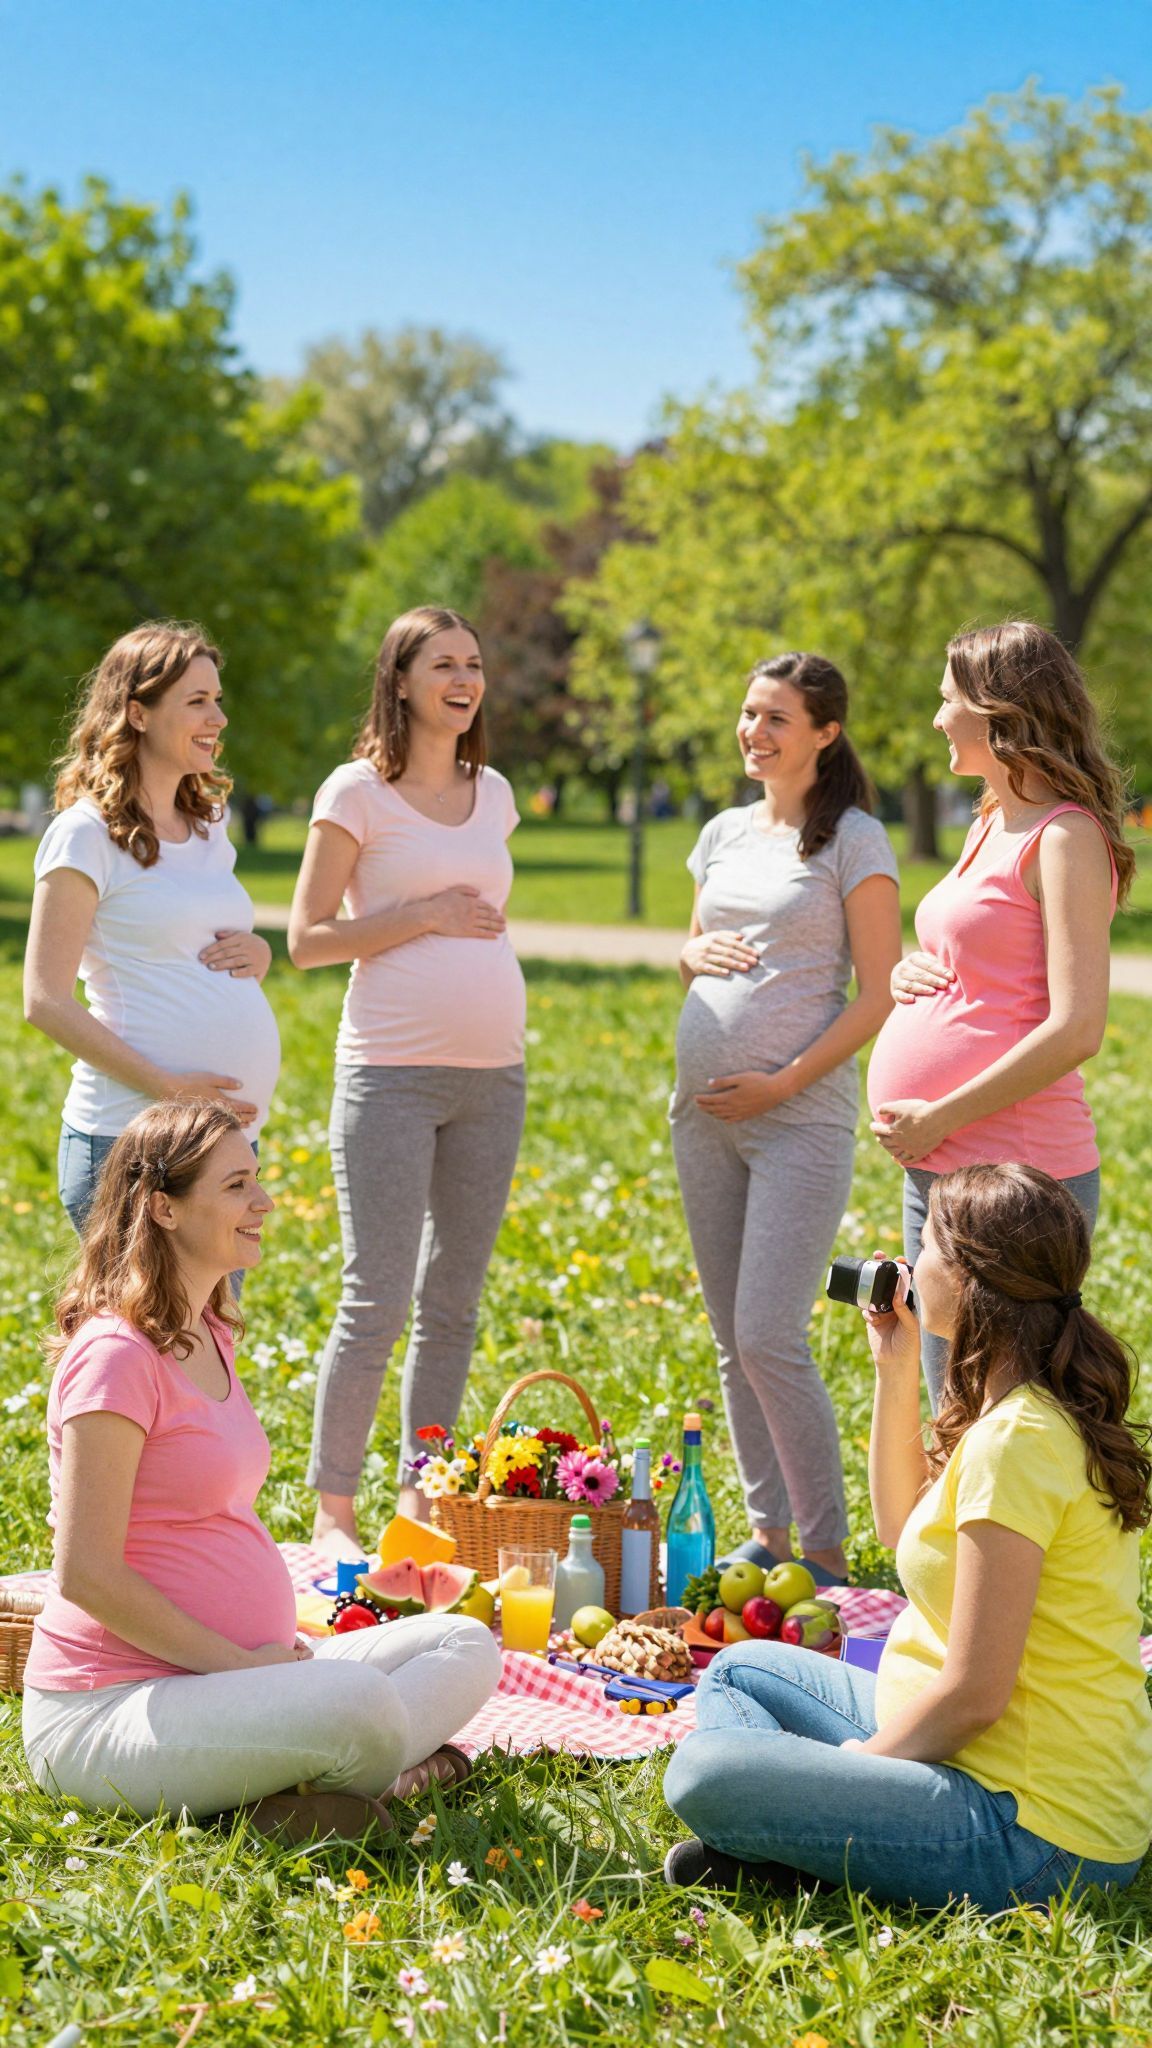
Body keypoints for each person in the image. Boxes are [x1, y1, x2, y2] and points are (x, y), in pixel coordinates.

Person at [663, 1163, 1152, 1910]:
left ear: (970, 1280)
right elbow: (901, 1528)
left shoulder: (1017, 1443)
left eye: (925, 1244)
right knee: (739, 1672)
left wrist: (862, 1766)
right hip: (957, 1754)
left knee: (703, 1772)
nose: (909, 1261)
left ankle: (816, 1841)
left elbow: (976, 1694)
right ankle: (827, 1841)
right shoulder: (1012, 1408)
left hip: (1034, 1831)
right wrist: (895, 1369)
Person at [21, 1102, 501, 1838]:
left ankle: (318, 1782)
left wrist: (266, 1666)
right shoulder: (115, 1356)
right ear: (164, 1208)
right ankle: (391, 1775)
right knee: (362, 1706)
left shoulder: (208, 1331)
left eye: (257, 1179)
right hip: (109, 1707)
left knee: (465, 1644)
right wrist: (247, 1670)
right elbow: (86, 1574)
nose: (265, 1201)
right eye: (237, 1185)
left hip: (240, 1676)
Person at [289, 606, 526, 1559]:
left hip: (493, 1078)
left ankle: (421, 1498)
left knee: (454, 1302)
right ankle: (334, 1510)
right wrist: (427, 915)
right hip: (388, 1074)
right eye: (443, 665)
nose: (464, 680)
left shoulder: (494, 793)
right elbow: (307, 940)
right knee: (376, 1300)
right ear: (399, 680)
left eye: (474, 664)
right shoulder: (356, 792)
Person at [670, 652, 902, 1581]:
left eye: (776, 718)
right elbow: (695, 950)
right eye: (749, 713)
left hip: (799, 1118)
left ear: (825, 733)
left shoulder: (854, 839)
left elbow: (880, 993)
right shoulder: (723, 832)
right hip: (702, 1117)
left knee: (769, 1332)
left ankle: (826, 1553)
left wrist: (781, 1083)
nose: (754, 732)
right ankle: (768, 1532)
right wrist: (691, 957)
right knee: (733, 1340)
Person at [867, 621, 1133, 1411]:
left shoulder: (1065, 837)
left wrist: (940, 1113)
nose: (937, 719)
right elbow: (978, 959)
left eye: (948, 700)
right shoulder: (990, 817)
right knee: (951, 1403)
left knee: (1009, 1413)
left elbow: (1077, 1027)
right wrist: (910, 971)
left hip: (1016, 1175)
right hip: (940, 1164)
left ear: (999, 711)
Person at [23, 621, 280, 1233]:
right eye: (197, 701)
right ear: (138, 713)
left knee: (212, 1304)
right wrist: (170, 1088)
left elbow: (191, 940)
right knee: (143, 1305)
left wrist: (259, 954)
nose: (218, 717)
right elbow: (44, 1000)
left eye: (218, 699)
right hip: (132, 1142)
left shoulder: (209, 826)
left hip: (221, 1142)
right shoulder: (85, 834)